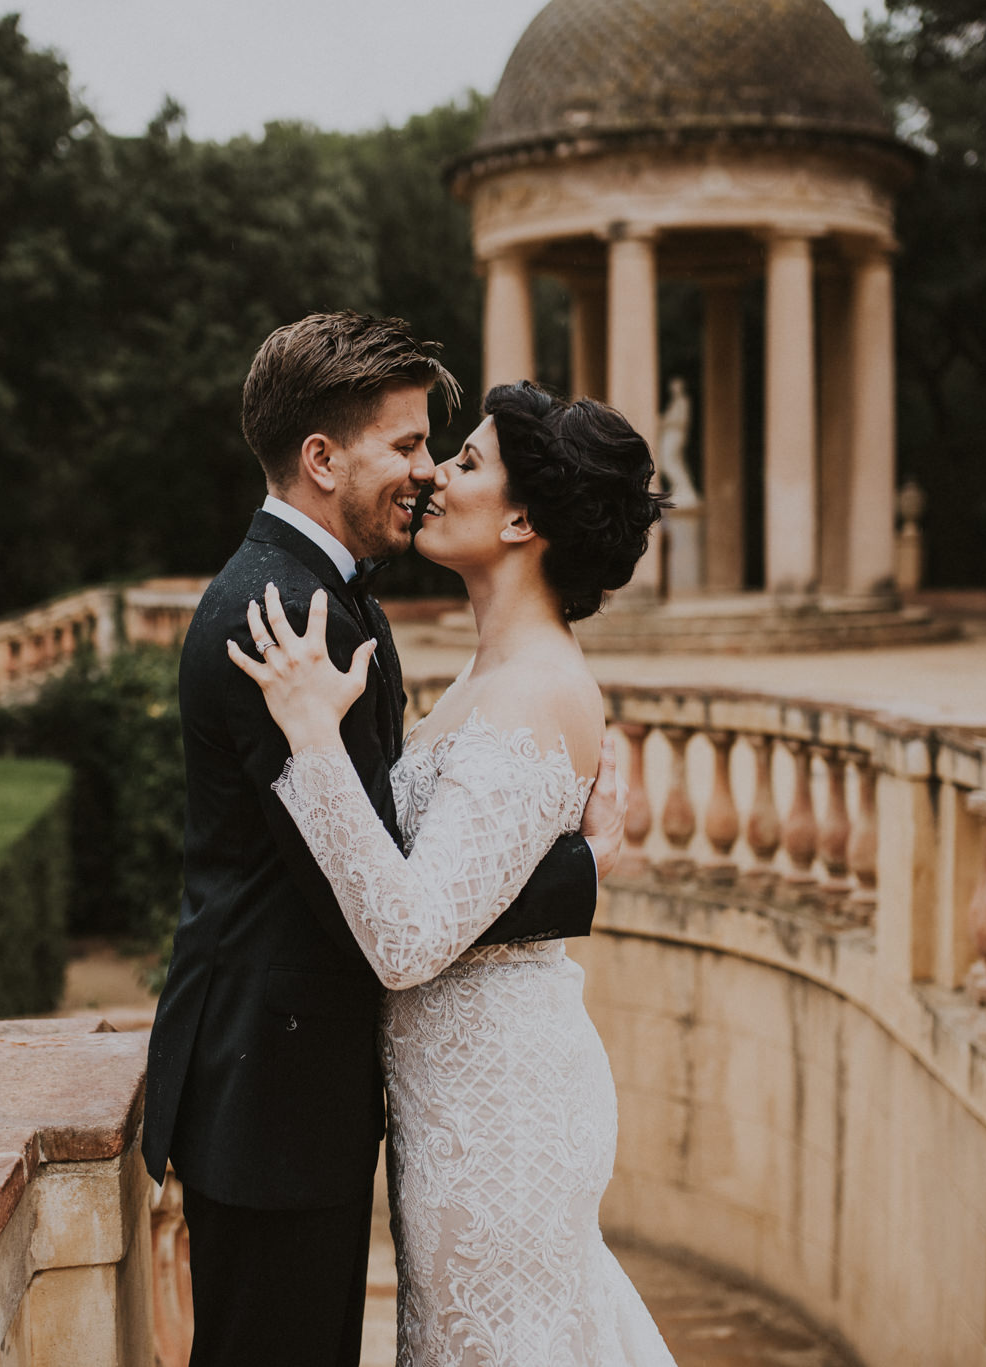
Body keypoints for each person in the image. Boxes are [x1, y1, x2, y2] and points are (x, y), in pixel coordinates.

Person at [142, 315, 625, 1367]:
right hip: (270, 1091)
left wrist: (562, 844)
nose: (426, 471)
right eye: (409, 446)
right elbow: (379, 904)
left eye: (447, 453)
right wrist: (572, 871)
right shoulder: (284, 615)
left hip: (423, 1093)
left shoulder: (344, 604)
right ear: (321, 458)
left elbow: (400, 862)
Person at [229, 380, 678, 1365]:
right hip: (458, 1108)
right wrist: (581, 866)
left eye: (466, 461)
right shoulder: (491, 672)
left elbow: (408, 937)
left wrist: (310, 740)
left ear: (522, 518)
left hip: (499, 1118)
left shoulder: (532, 691)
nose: (434, 474)